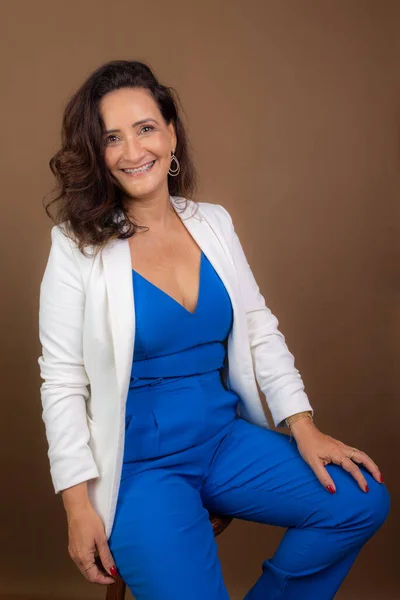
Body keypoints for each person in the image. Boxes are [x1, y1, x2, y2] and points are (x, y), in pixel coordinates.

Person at [38, 59, 390, 600]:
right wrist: (76, 506)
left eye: (146, 128)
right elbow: (62, 380)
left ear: (172, 132)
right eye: (112, 138)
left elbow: (258, 327)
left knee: (359, 501)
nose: (133, 152)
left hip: (225, 441)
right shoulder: (76, 245)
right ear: (97, 153)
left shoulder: (214, 223)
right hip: (140, 468)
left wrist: (303, 425)